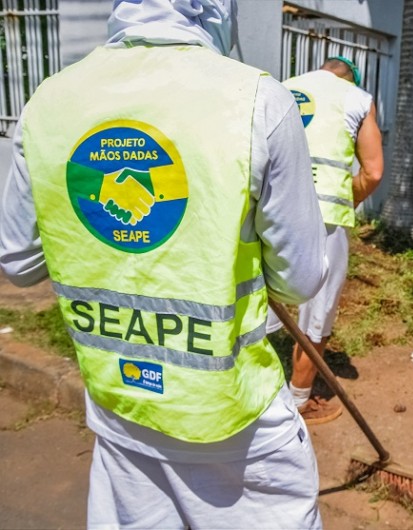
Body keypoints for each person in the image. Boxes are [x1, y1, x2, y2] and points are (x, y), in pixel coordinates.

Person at [0, 0, 329, 527]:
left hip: (119, 410)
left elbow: (17, 262)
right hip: (235, 425)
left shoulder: (48, 102)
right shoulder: (256, 100)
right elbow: (302, 277)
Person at [279, 57, 384, 424]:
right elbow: (372, 172)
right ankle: (299, 400)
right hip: (323, 217)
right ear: (350, 78)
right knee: (317, 312)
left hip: (269, 208)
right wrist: (347, 200)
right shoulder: (357, 98)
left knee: (259, 299)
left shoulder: (281, 87)